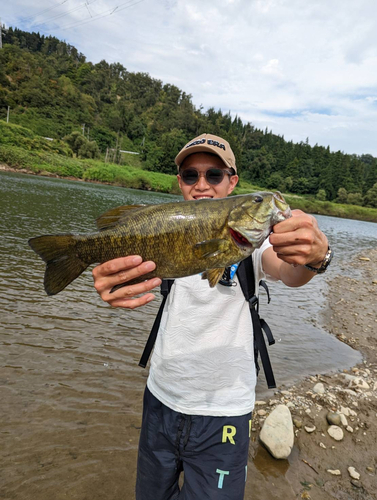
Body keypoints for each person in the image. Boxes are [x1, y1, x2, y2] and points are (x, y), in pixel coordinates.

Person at [92, 133, 331, 500]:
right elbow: (125, 273)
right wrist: (108, 283)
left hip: (224, 413)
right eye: (191, 175)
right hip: (161, 398)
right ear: (180, 182)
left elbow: (289, 271)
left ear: (232, 180)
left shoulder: (252, 242)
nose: (201, 185)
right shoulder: (168, 226)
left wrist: (315, 257)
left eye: (214, 175)